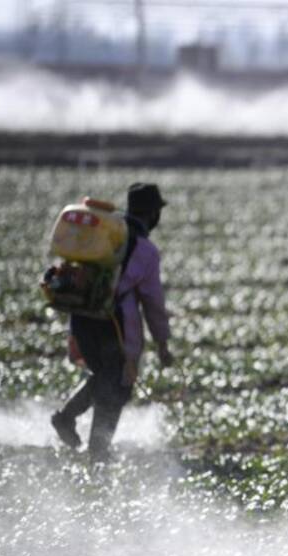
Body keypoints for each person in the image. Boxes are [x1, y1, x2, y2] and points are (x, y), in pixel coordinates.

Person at [51, 183, 174, 462]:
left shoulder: (103, 235)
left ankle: (68, 420)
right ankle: (97, 447)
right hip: (115, 325)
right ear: (153, 214)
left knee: (105, 377)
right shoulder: (145, 250)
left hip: (82, 318)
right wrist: (162, 343)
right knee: (118, 383)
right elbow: (153, 303)